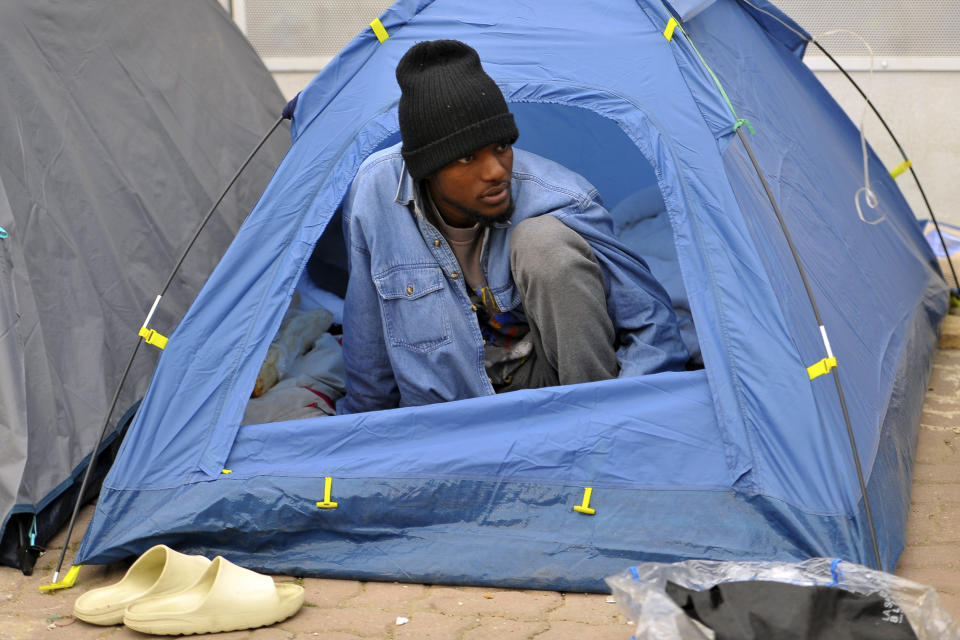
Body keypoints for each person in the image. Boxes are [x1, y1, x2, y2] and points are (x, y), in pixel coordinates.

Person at [337, 39, 688, 414]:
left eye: (502, 146)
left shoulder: (565, 198)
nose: (494, 171)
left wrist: (614, 420)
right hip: (448, 418)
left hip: (552, 395)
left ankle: (589, 421)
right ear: (428, 169)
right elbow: (368, 336)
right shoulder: (374, 194)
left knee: (544, 243)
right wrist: (362, 436)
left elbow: (655, 334)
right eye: (468, 157)